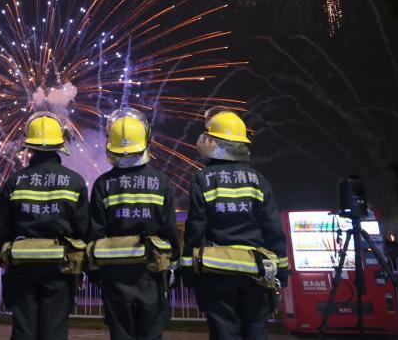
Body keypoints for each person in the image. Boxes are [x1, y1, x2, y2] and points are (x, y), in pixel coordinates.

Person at [181, 109, 289, 340]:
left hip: (217, 272)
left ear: (213, 142)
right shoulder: (258, 180)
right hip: (257, 273)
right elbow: (273, 229)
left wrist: (188, 271)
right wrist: (282, 270)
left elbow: (195, 230)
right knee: (256, 331)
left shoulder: (203, 179)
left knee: (224, 332)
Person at [88, 108, 180, 340]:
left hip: (115, 274)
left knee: (121, 333)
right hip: (152, 271)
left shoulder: (103, 184)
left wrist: (95, 272)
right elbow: (169, 230)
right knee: (151, 332)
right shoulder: (161, 182)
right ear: (146, 140)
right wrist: (174, 266)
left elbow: (96, 232)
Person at [0, 112, 89, 340]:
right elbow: (83, 229)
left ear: (29, 144)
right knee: (55, 328)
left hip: (22, 265)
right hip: (60, 266)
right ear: (61, 143)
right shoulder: (75, 181)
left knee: (23, 328)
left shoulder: (14, 181)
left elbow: (3, 227)